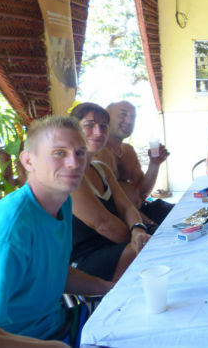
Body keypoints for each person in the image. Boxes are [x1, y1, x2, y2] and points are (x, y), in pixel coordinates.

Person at [0, 116, 112, 343]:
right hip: (29, 339)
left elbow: (54, 271)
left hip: (61, 323)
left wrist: (109, 288)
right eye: (59, 153)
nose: (74, 163)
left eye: (80, 153)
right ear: (28, 161)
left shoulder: (62, 202)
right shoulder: (13, 225)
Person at [69, 103, 150, 283]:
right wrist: (140, 239)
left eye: (103, 126)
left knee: (166, 239)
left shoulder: (101, 169)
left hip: (116, 245)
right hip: (84, 260)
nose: (98, 132)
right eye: (89, 125)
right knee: (158, 248)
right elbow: (103, 224)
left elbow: (127, 207)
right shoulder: (70, 173)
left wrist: (138, 229)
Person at [94, 100, 172, 225]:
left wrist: (154, 164)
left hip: (143, 210)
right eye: (123, 114)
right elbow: (112, 206)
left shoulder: (127, 150)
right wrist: (149, 225)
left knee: (189, 216)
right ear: (106, 118)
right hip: (124, 221)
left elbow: (142, 192)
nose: (129, 121)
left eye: (133, 117)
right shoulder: (99, 153)